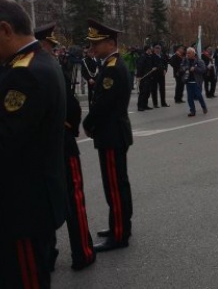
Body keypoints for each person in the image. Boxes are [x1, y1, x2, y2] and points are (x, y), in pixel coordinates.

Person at [0, 0, 67, 288]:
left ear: (5, 29)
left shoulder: (25, 74)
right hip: (27, 203)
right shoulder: (37, 61)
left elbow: (6, 141)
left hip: (22, 210)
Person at [35, 23, 96, 271]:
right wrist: (70, 128)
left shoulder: (16, 68)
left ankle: (46, 254)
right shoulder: (49, 67)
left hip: (36, 149)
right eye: (51, 46)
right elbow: (71, 106)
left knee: (42, 201)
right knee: (74, 199)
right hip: (61, 143)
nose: (53, 51)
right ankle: (82, 251)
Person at [82, 19, 134, 253]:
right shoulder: (110, 63)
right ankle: (120, 225)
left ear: (111, 43)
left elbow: (103, 104)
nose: (93, 48)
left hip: (111, 134)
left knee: (114, 185)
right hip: (113, 132)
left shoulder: (112, 67)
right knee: (118, 183)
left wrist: (88, 122)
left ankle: (119, 234)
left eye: (97, 43)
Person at [180, 47, 207, 116]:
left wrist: (195, 68)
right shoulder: (185, 60)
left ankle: (203, 107)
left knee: (198, 95)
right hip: (188, 81)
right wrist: (185, 68)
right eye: (187, 53)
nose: (187, 54)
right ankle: (192, 111)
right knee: (190, 98)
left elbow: (203, 69)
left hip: (196, 81)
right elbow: (181, 67)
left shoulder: (199, 61)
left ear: (193, 53)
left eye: (189, 53)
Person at [136, 45, 155, 111]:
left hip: (149, 76)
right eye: (150, 49)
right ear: (147, 50)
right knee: (143, 92)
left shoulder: (149, 57)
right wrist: (138, 76)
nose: (151, 50)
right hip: (144, 77)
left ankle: (145, 105)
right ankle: (140, 106)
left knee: (147, 92)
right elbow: (139, 66)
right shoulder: (143, 57)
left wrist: (153, 68)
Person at [150, 43, 170, 108]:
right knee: (154, 89)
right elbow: (149, 64)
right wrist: (152, 67)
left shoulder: (162, 55)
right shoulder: (152, 56)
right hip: (154, 74)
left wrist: (165, 70)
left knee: (162, 89)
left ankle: (163, 102)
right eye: (156, 48)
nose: (158, 50)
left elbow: (166, 63)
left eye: (159, 48)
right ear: (154, 49)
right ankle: (155, 103)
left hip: (161, 74)